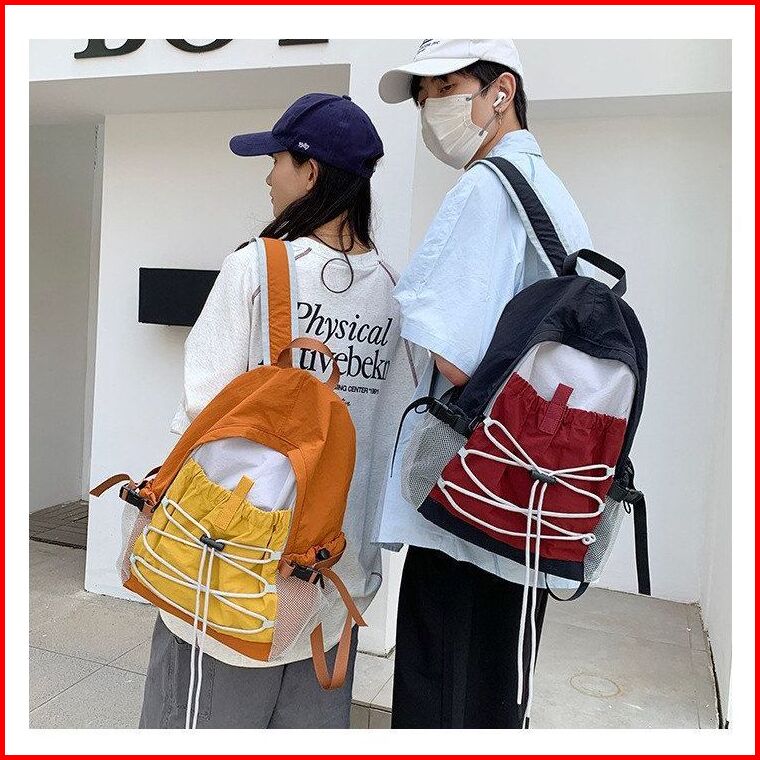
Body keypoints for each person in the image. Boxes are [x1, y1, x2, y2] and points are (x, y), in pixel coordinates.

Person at [139, 93, 421, 729]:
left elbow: (200, 415)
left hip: (235, 577)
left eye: (277, 161)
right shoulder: (396, 295)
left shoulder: (256, 269)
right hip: (334, 579)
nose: (268, 177)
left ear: (310, 171)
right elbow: (396, 438)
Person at [374, 39, 594, 729]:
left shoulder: (484, 188)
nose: (431, 109)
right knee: (499, 696)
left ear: (502, 91)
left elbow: (458, 357)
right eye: (423, 98)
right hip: (533, 499)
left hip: (467, 500)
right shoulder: (552, 193)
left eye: (445, 88)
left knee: (440, 694)